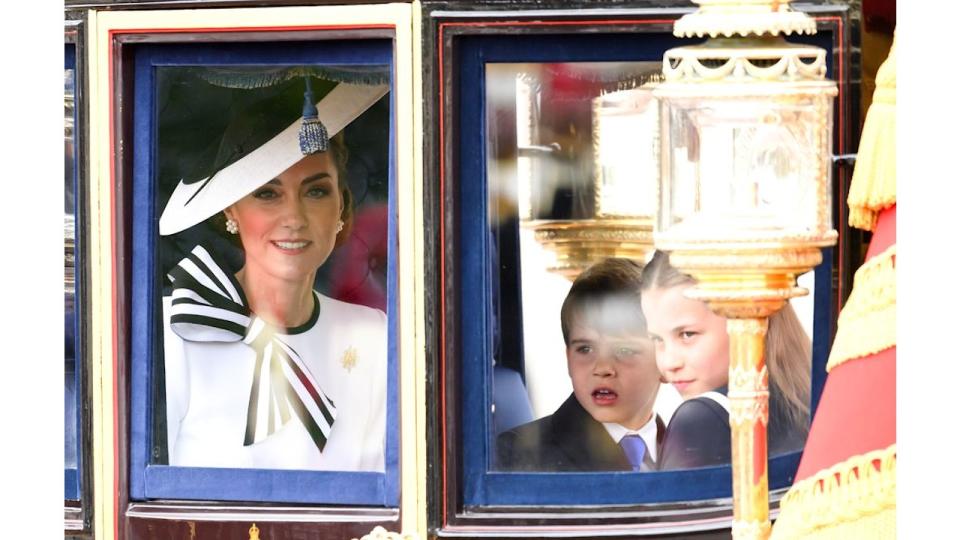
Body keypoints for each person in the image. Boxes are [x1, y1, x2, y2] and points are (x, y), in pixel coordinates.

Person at [158, 73, 390, 471]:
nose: (294, 218)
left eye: (316, 191)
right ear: (231, 211)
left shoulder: (372, 335)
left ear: (340, 207)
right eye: (268, 194)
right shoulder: (175, 332)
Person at [639, 251, 810, 470]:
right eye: (657, 339)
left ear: (742, 317)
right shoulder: (810, 399)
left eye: (687, 335)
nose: (669, 363)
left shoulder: (700, 419)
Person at [497, 258, 664, 472]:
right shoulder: (516, 456)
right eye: (585, 349)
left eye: (624, 350)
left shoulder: (695, 451)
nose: (602, 368)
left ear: (665, 359)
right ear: (568, 358)